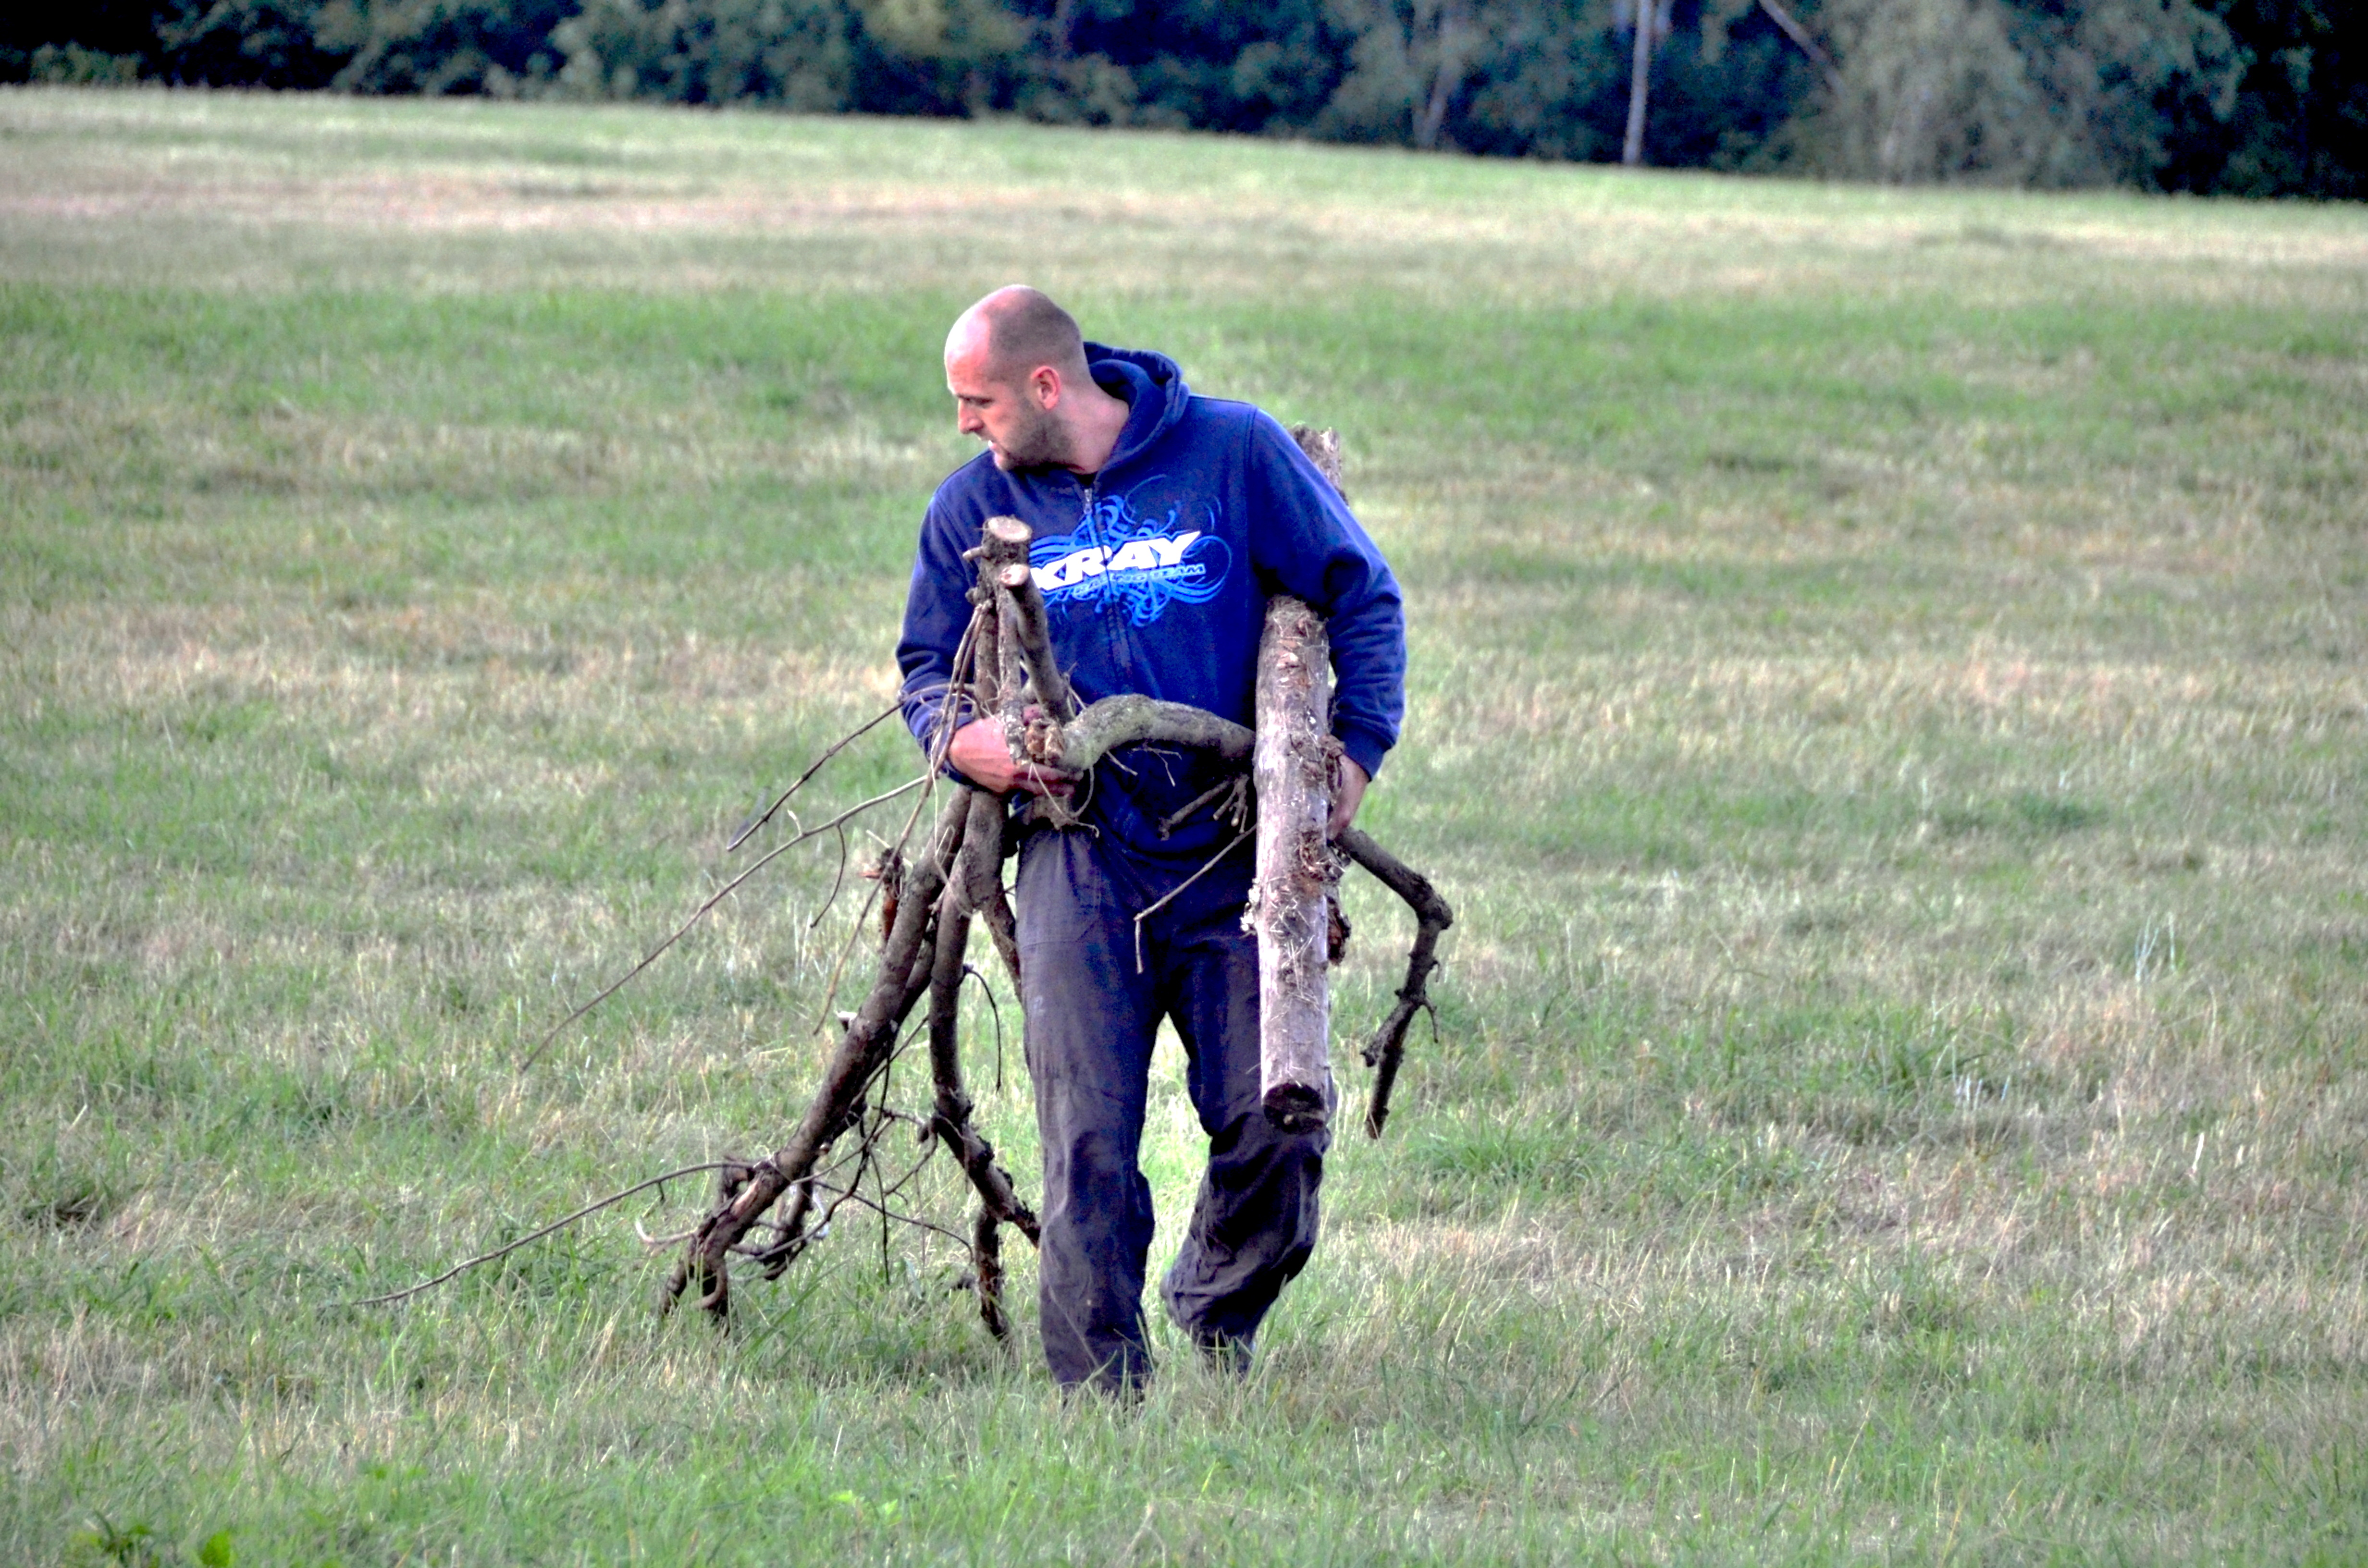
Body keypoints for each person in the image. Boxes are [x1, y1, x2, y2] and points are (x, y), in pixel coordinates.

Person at [897, 285, 1405, 1392]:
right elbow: (924, 671)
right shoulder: (966, 510)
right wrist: (962, 741)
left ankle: (1214, 1307)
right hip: (1080, 850)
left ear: (1044, 385)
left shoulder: (1231, 452)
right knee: (1086, 1145)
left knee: (1276, 1127)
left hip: (1232, 848)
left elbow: (1362, 595)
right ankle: (1101, 1404)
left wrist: (1353, 756)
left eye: (976, 400)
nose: (964, 425)